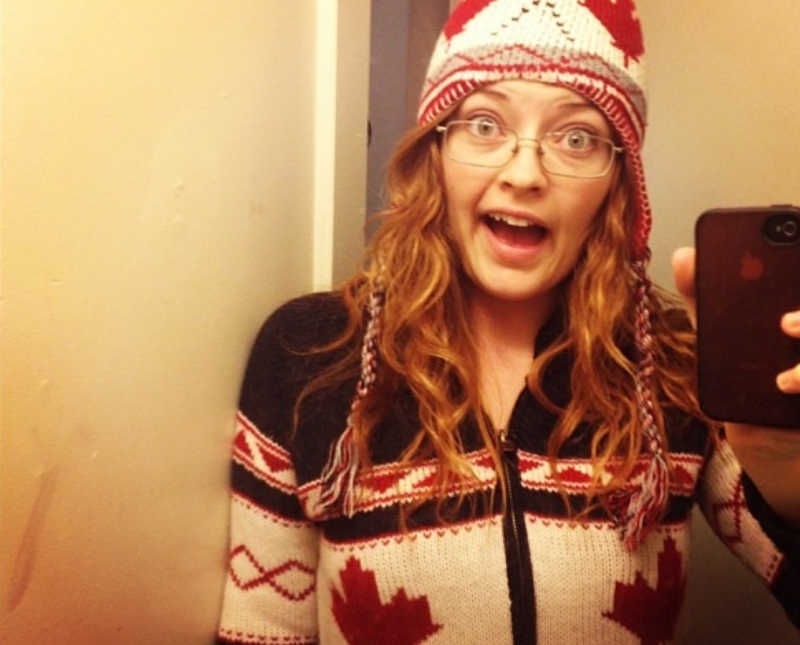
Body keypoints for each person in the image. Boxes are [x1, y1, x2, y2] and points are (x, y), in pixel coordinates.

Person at [216, 1, 800, 643]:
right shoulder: (310, 355)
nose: (524, 174)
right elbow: (261, 630)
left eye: (576, 137)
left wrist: (791, 484)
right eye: (485, 124)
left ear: (618, 183)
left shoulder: (673, 369)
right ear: (434, 152)